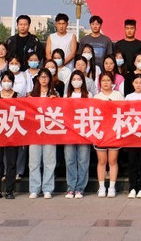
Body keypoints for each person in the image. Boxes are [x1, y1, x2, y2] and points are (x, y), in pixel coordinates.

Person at [27, 69, 60, 198]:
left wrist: (55, 100)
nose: (44, 79)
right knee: (34, 162)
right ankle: (34, 189)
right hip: (35, 132)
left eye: (46, 77)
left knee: (49, 161)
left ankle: (47, 188)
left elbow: (60, 110)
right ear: (38, 79)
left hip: (50, 131)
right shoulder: (31, 95)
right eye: (41, 77)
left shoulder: (55, 93)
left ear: (50, 79)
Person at [93, 72, 124, 198]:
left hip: (114, 131)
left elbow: (123, 111)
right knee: (101, 161)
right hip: (100, 132)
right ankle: (101, 187)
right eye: (103, 80)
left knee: (112, 160)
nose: (106, 83)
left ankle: (112, 187)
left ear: (113, 82)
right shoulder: (96, 97)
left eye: (108, 80)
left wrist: (113, 105)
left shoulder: (118, 95)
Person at [62, 70, 91, 199]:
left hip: (84, 132)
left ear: (83, 81)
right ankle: (71, 188)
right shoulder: (66, 95)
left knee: (83, 160)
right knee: (70, 160)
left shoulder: (88, 95)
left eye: (79, 79)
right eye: (74, 79)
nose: (76, 81)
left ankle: (80, 188)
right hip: (69, 132)